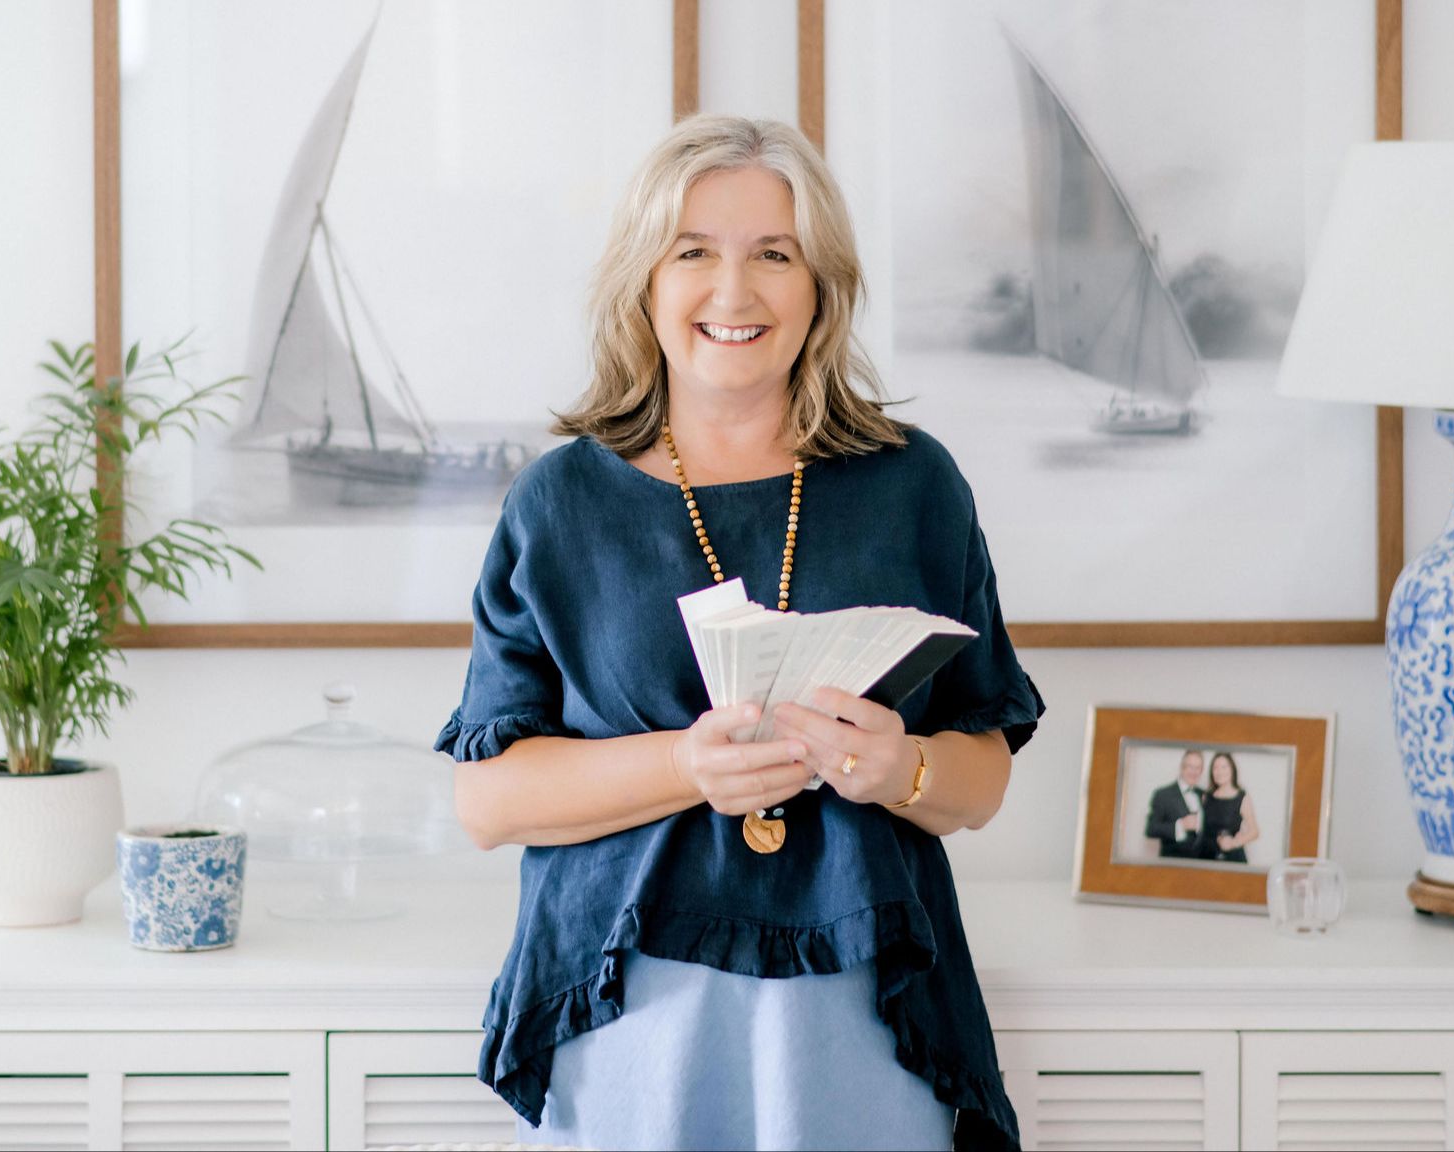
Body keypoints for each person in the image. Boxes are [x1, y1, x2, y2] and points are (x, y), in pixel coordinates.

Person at [436, 114, 1044, 1152]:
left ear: (821, 285)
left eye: (774, 254)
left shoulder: (914, 485)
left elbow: (980, 778)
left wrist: (897, 769)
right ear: (643, 281)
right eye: (693, 253)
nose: (734, 291)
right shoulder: (559, 502)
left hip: (862, 1009)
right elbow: (487, 803)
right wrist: (687, 764)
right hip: (626, 1010)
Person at [1144, 749, 1210, 859]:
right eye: (1190, 766)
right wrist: (1181, 825)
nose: (1194, 772)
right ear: (1182, 768)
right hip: (1172, 863)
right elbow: (1150, 829)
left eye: (1197, 768)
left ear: (1201, 771)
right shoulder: (1163, 794)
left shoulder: (1204, 794)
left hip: (1200, 862)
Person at [1204, 751, 1260, 864]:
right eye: (1215, 768)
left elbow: (1255, 831)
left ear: (1232, 770)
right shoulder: (1206, 796)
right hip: (1208, 858)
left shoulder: (1242, 797)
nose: (1219, 772)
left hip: (1233, 859)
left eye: (1224, 767)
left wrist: (1233, 843)